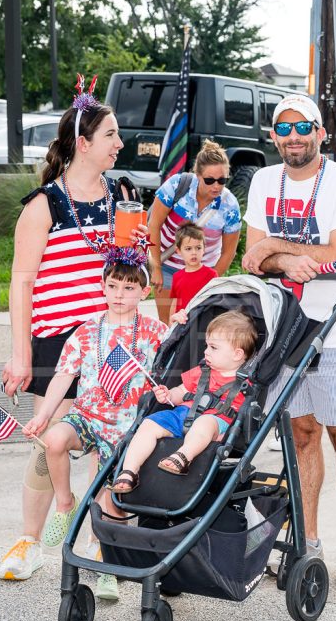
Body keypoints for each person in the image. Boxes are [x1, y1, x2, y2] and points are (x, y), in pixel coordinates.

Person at [0, 82, 147, 583]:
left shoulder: (123, 196)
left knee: (108, 444)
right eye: (111, 134)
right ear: (83, 142)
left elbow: (137, 270)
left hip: (114, 337)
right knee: (49, 443)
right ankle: (30, 541)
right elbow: (21, 283)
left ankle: (96, 545)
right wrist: (21, 356)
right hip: (58, 338)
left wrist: (142, 252)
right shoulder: (44, 205)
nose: (119, 143)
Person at [242, 94, 336, 582]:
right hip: (286, 328)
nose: (293, 137)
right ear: (273, 136)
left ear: (322, 133)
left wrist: (275, 246)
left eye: (304, 128)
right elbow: (249, 258)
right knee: (300, 436)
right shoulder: (262, 181)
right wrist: (283, 257)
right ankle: (307, 541)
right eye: (284, 129)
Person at [21, 248, 167, 599]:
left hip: (127, 427)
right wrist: (42, 415)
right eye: (113, 286)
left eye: (129, 288)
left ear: (143, 292)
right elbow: (63, 375)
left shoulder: (154, 332)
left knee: (112, 502)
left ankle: (105, 560)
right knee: (53, 441)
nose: (120, 295)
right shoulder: (85, 332)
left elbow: (170, 374)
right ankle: (65, 503)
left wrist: (166, 390)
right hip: (86, 417)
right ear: (102, 287)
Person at [110, 310, 256, 493]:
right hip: (182, 414)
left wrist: (225, 434)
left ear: (237, 354)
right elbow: (182, 391)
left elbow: (242, 414)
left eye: (213, 347)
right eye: (206, 346)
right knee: (148, 424)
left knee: (204, 423)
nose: (206, 351)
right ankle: (129, 470)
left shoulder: (245, 384)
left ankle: (183, 457)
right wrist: (169, 395)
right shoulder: (201, 371)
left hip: (214, 421)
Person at [148, 139, 241, 321]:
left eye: (222, 180)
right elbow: (154, 225)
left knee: (195, 327)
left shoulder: (229, 205)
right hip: (168, 267)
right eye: (209, 180)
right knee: (168, 325)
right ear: (197, 175)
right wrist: (156, 267)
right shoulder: (177, 186)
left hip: (202, 271)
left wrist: (210, 281)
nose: (216, 186)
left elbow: (229, 252)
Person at [167, 222, 217, 322]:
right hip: (182, 324)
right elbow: (174, 303)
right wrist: (170, 325)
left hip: (203, 323)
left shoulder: (211, 274)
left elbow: (216, 302)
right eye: (188, 249)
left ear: (204, 249)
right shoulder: (177, 276)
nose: (194, 252)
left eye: (198, 248)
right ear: (179, 251)